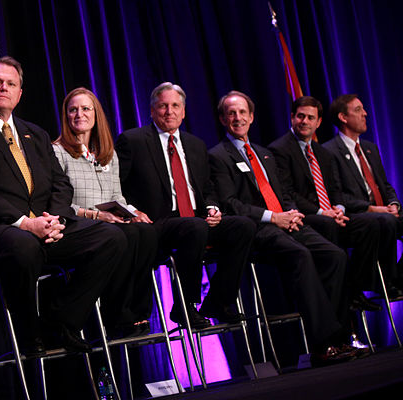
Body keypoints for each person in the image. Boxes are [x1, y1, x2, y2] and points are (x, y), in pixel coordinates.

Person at [0, 57, 126, 355]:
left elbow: (60, 183)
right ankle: (29, 332)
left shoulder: (34, 133)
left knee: (111, 238)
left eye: (11, 84)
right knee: (23, 245)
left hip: (43, 223)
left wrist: (53, 219)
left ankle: (61, 321)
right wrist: (25, 223)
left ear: (20, 93)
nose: (3, 88)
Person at [208, 90, 362, 366]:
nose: (238, 118)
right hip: (259, 229)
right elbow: (231, 204)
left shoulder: (265, 154)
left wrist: (291, 213)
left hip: (286, 222)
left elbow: (284, 193)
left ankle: (341, 338)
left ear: (252, 117)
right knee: (300, 255)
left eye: (243, 112)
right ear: (222, 119)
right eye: (231, 113)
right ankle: (322, 345)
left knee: (335, 256)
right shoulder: (217, 156)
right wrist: (272, 217)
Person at [116, 82, 256, 328]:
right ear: (151, 110)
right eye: (163, 106)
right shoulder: (133, 140)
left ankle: (218, 302)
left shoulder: (195, 145)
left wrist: (212, 207)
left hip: (196, 221)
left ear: (183, 112)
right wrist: (132, 212)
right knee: (195, 227)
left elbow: (207, 189)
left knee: (243, 226)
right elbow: (117, 186)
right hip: (158, 224)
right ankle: (185, 305)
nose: (169, 111)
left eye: (175, 106)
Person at [53, 87, 157, 338]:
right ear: (66, 116)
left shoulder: (107, 154)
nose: (79, 114)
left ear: (96, 114)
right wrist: (98, 216)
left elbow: (116, 197)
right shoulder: (57, 151)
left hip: (110, 222)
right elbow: (61, 204)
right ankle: (117, 314)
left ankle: (139, 311)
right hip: (80, 225)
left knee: (147, 231)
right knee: (126, 235)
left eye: (85, 108)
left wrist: (134, 212)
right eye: (73, 110)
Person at [268, 96, 381, 314]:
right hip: (308, 216)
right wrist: (323, 212)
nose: (305, 121)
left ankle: (354, 288)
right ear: (292, 117)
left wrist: (339, 208)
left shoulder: (323, 152)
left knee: (373, 224)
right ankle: (341, 295)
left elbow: (336, 189)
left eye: (311, 118)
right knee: (327, 225)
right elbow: (288, 194)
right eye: (300, 116)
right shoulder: (279, 150)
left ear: (318, 122)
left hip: (331, 213)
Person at [323, 94, 403, 297]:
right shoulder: (329, 151)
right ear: (343, 117)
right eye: (358, 110)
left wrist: (393, 203)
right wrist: (371, 208)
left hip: (383, 212)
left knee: (389, 219)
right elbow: (337, 195)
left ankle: (399, 277)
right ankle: (382, 281)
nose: (365, 113)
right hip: (356, 215)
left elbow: (384, 185)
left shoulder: (370, 148)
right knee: (384, 221)